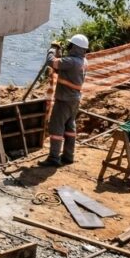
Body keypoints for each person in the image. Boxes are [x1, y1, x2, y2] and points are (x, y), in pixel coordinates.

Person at [40, 34, 89, 167]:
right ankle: (68, 156)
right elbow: (61, 65)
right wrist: (60, 53)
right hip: (74, 100)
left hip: (64, 99)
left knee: (57, 127)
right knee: (69, 126)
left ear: (75, 47)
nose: (69, 46)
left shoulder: (72, 61)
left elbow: (51, 62)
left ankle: (54, 158)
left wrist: (52, 49)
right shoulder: (82, 61)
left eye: (71, 45)